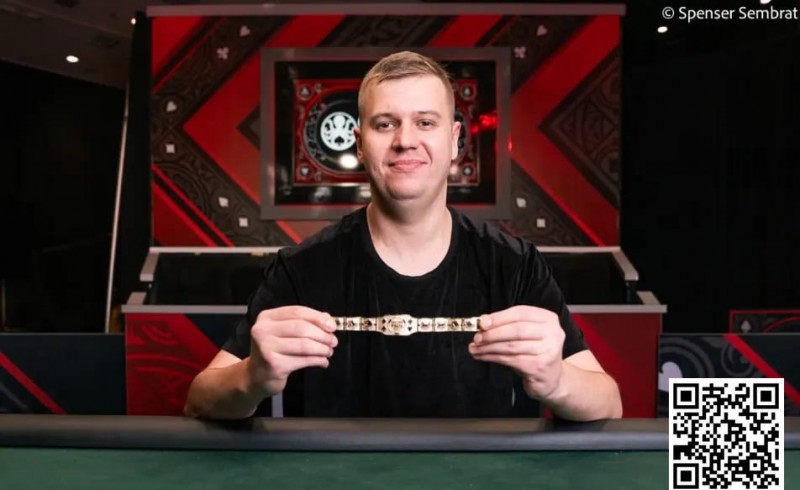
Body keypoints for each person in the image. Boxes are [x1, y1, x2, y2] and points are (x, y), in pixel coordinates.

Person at [184, 51, 623, 421]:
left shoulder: (514, 265)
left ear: (455, 140)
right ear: (359, 143)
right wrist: (252, 378)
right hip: (331, 484)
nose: (405, 141)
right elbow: (199, 400)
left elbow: (610, 403)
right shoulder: (302, 268)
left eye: (425, 122)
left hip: (479, 485)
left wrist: (556, 381)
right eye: (385, 124)